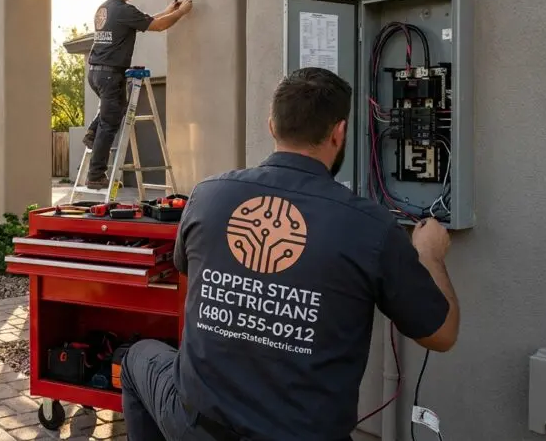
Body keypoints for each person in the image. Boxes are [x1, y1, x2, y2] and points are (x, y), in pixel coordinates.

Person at [119, 67, 460, 440]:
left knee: (138, 356)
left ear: (271, 126)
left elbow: (187, 269)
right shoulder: (370, 226)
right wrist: (430, 253)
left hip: (198, 427)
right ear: (339, 132)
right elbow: (441, 334)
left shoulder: (208, 195)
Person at [82, 0, 193, 189]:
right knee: (110, 122)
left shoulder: (105, 9)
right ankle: (95, 175)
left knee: (114, 109)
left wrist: (167, 10)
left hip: (96, 72)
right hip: (109, 74)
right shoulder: (123, 10)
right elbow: (158, 26)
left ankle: (92, 133)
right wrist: (181, 13)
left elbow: (148, 20)